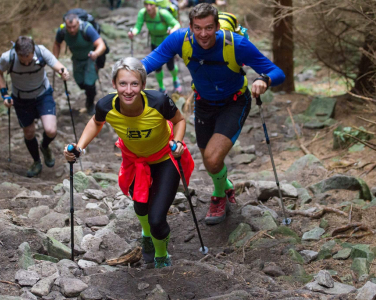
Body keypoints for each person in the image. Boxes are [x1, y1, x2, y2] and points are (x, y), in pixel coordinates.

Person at [141, 3, 285, 225]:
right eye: (197, 28)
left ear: (217, 26)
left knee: (212, 158)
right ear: (190, 26)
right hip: (203, 102)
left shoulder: (236, 44)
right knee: (210, 164)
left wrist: (263, 79)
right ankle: (226, 187)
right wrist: (129, 75)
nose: (203, 34)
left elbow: (277, 72)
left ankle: (218, 196)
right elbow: (151, 61)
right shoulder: (180, 39)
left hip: (234, 102)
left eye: (209, 28)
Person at [64, 57, 194, 268]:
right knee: (140, 207)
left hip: (164, 158)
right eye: (123, 84)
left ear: (143, 85)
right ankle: (146, 236)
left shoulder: (159, 101)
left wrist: (178, 143)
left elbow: (179, 120)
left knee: (157, 218)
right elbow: (95, 122)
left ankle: (161, 256)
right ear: (114, 84)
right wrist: (79, 147)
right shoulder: (106, 105)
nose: (128, 90)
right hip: (136, 161)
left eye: (134, 84)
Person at [0, 36, 70, 177]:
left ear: (33, 50)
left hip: (43, 95)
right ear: (17, 53)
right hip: (21, 99)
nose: (27, 62)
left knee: (51, 130)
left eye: (29, 59)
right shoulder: (8, 58)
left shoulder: (41, 51)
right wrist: (4, 94)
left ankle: (45, 146)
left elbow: (56, 63)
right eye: (23, 60)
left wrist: (63, 71)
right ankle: (36, 161)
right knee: (29, 132)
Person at [53, 12, 107, 115]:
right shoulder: (62, 31)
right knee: (80, 83)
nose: (72, 30)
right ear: (65, 25)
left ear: (78, 23)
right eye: (69, 27)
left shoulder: (87, 28)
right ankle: (89, 95)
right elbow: (57, 43)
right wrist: (55, 59)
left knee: (89, 84)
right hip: (76, 59)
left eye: (74, 26)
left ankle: (90, 104)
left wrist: (96, 53)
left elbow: (101, 45)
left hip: (90, 59)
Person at [128, 0, 182, 94]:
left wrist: (173, 30)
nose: (148, 7)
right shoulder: (143, 13)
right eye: (146, 4)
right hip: (154, 42)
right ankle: (161, 87)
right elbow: (138, 26)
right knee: (157, 67)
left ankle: (175, 80)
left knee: (171, 65)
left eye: (151, 5)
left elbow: (177, 24)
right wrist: (133, 33)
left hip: (167, 43)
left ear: (155, 5)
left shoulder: (163, 13)